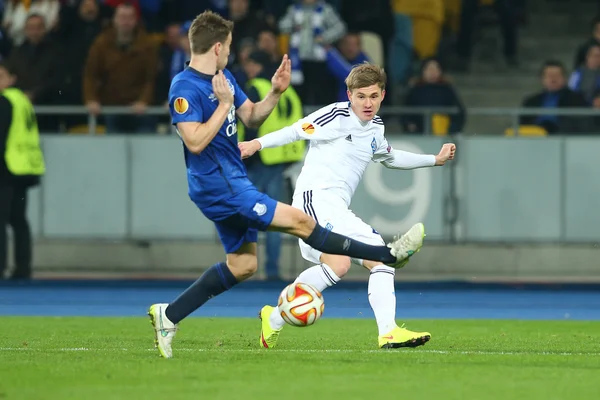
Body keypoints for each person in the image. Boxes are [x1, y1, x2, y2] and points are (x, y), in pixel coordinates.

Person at [148, 11, 424, 359]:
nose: (231, 52)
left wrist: (276, 93)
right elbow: (194, 141)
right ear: (217, 46)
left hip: (234, 179)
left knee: (243, 266)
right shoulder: (185, 87)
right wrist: (224, 105)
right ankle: (386, 254)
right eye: (229, 46)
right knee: (301, 222)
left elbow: (252, 117)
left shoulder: (224, 77)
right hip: (218, 184)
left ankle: (168, 315)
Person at [239, 63, 456, 349]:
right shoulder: (336, 116)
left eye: (374, 96)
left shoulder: (376, 128)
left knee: (338, 265)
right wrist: (256, 144)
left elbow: (389, 157)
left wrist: (434, 160)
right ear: (349, 95)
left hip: (333, 206)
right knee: (380, 256)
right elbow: (295, 131)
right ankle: (388, 331)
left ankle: (275, 317)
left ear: (383, 95)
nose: (368, 103)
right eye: (361, 96)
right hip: (315, 201)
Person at [0, 62, 45, 280]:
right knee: (18, 219)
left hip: (5, 166)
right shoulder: (21, 100)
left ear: (11, 78)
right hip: (23, 167)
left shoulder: (4, 101)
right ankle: (22, 267)